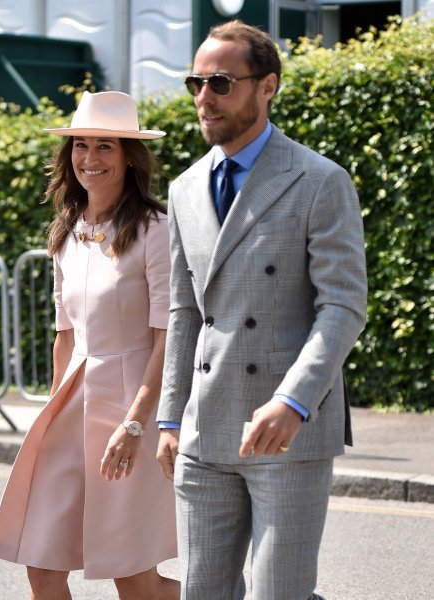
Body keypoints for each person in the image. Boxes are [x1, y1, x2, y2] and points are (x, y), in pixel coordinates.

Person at [156, 20, 367, 600]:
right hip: (204, 431)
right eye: (195, 82)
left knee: (280, 593)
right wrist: (171, 417)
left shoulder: (320, 180)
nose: (204, 97)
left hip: (287, 430)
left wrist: (294, 401)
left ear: (267, 86)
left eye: (221, 82)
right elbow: (184, 311)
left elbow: (344, 305)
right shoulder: (185, 188)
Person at [0, 91, 179, 600]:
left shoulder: (155, 229)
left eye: (105, 147)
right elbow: (64, 333)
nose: (90, 159)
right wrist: (51, 412)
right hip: (70, 407)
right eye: (81, 146)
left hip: (132, 406)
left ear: (129, 157)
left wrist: (139, 422)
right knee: (42, 565)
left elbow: (168, 334)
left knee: (134, 577)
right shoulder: (67, 231)